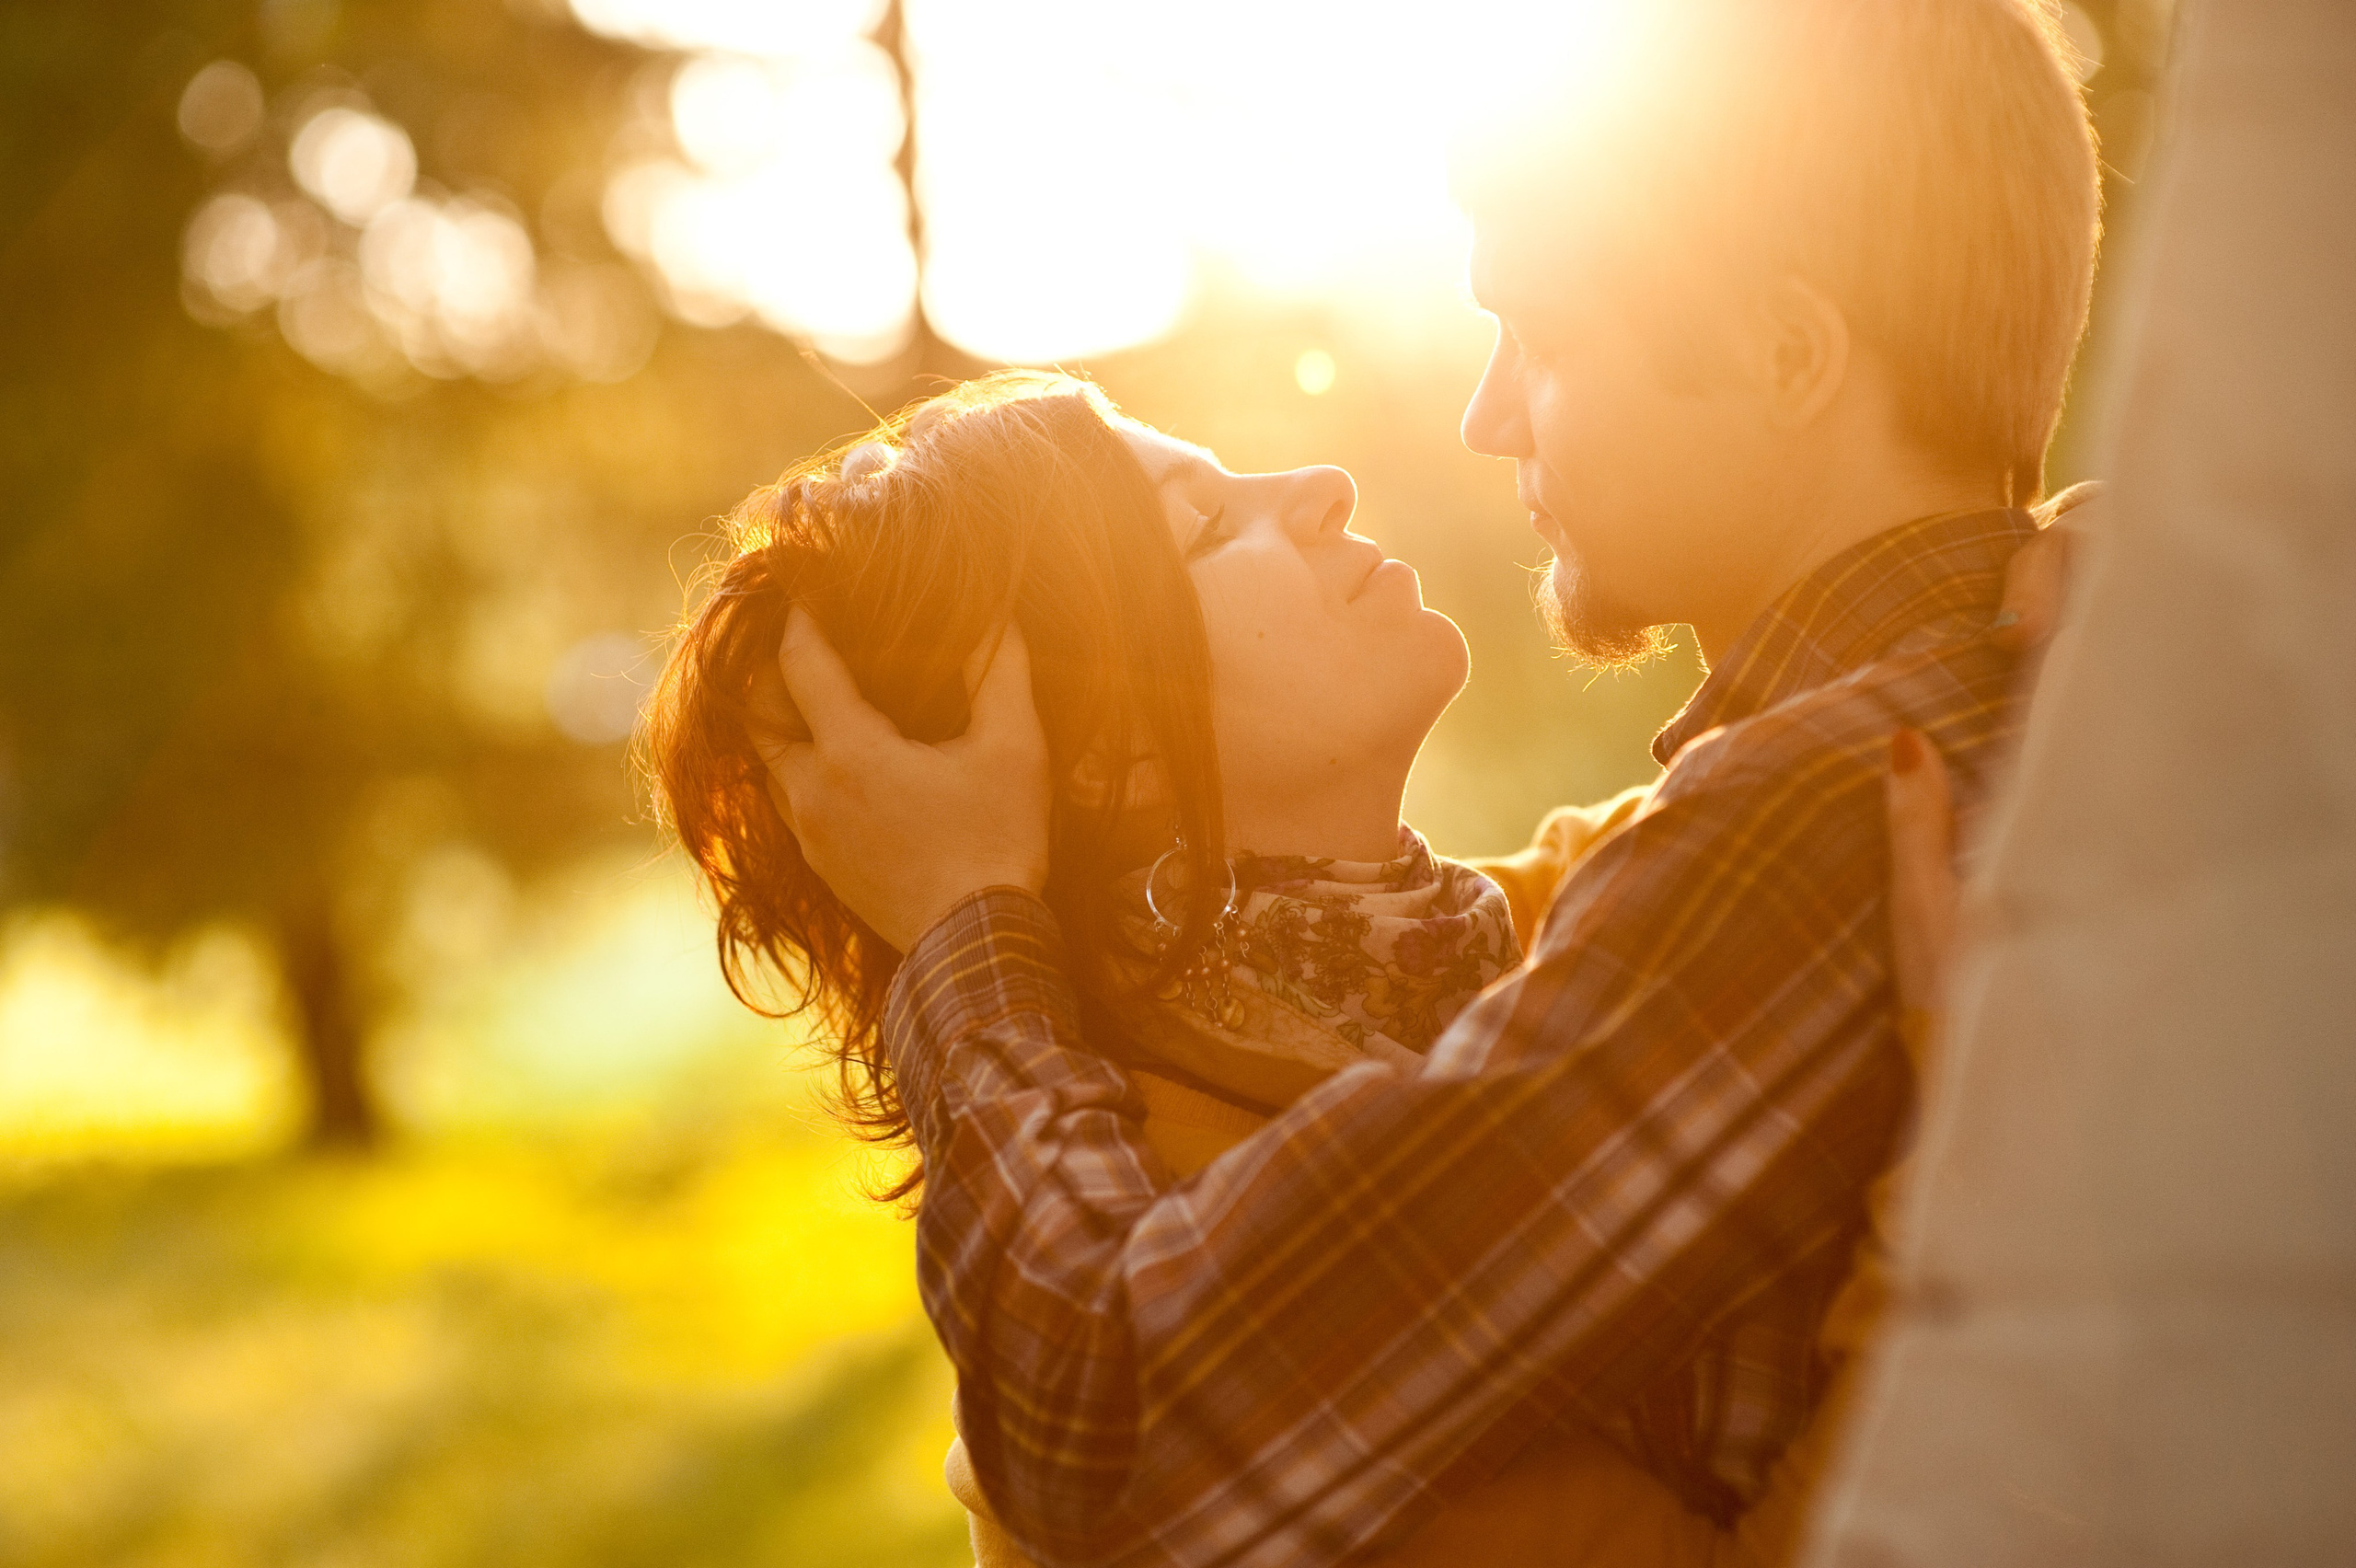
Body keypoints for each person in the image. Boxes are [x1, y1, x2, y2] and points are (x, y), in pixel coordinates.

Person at [755, 1, 2104, 1564]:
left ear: (1786, 354)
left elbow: (1105, 1433)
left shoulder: (1807, 827)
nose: (1486, 413)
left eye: (1545, 340)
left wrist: (962, 931)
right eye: (1207, 528)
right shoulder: (2097, 679)